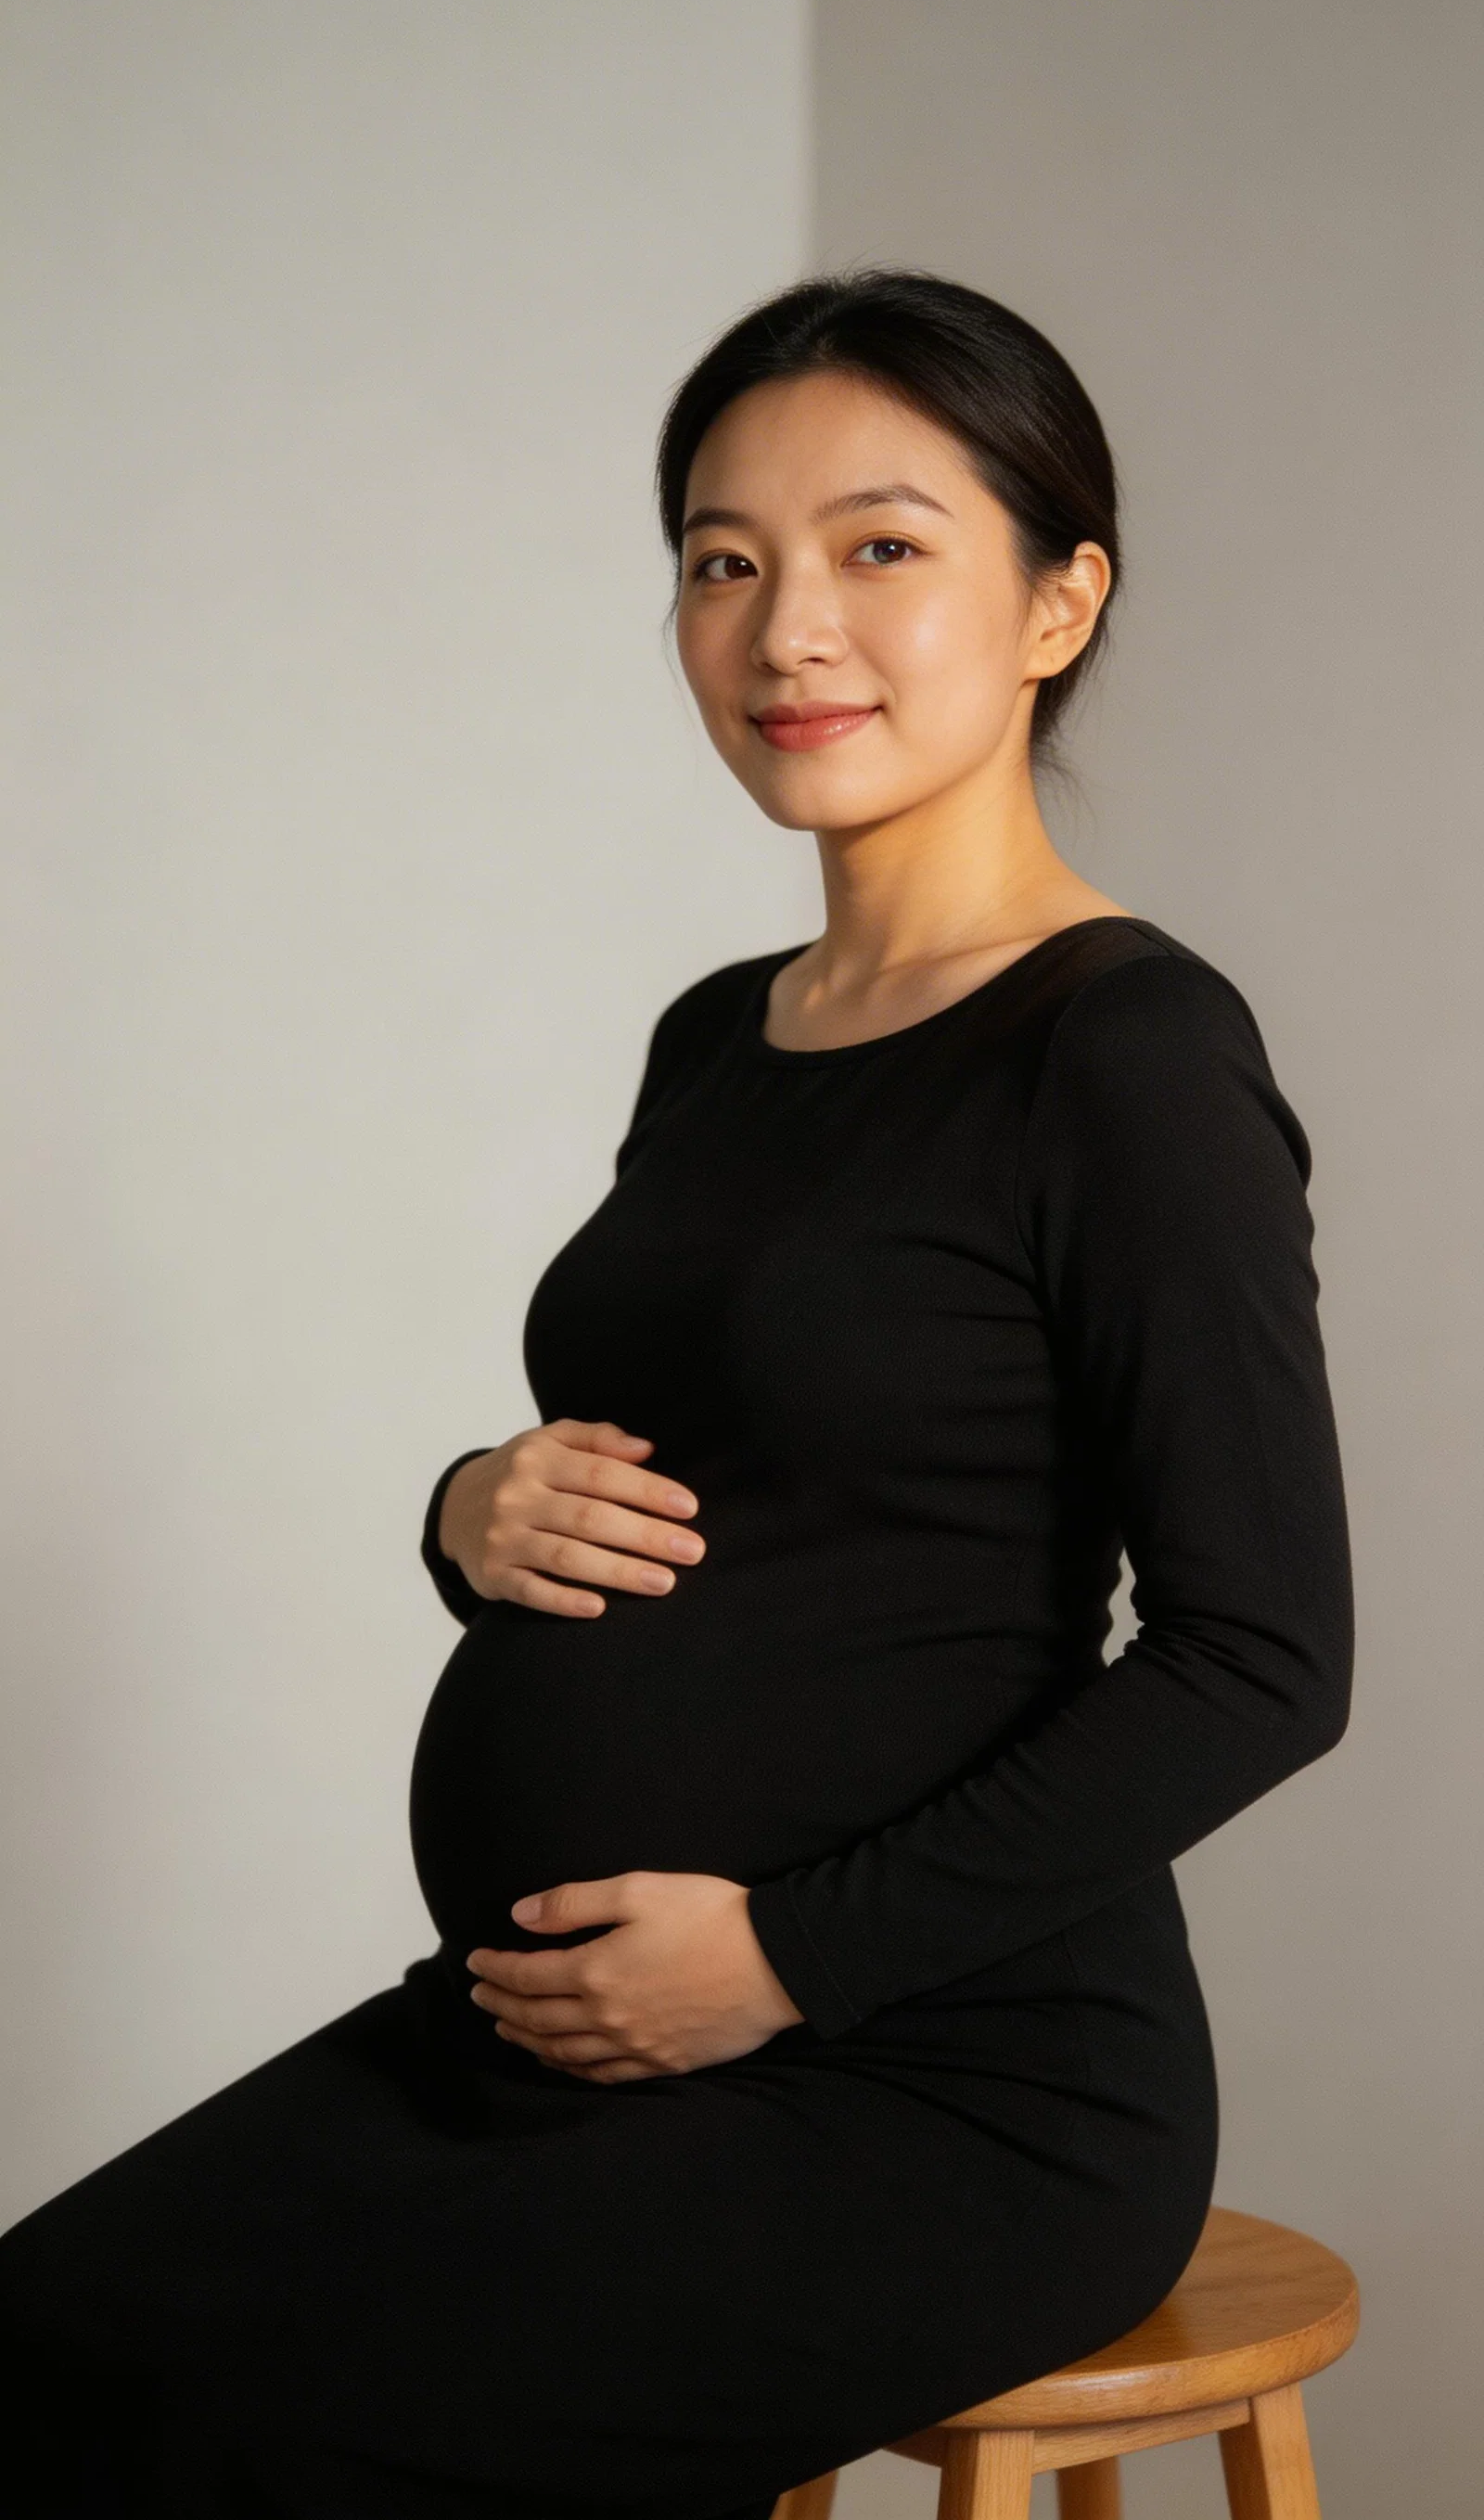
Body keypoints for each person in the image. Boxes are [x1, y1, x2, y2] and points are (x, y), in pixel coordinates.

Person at [0, 265, 1354, 2519]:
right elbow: (750, 1461)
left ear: (1056, 601)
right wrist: (463, 1506)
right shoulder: (724, 1034)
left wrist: (778, 1963)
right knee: (38, 2356)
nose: (784, 627)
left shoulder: (1123, 1054)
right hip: (566, 2034)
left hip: (938, 2082)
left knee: (272, 2441)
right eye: (723, 562)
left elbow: (1261, 1660)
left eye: (880, 548)